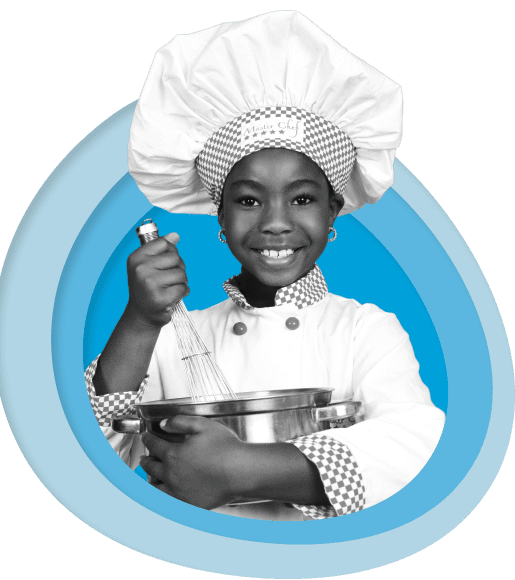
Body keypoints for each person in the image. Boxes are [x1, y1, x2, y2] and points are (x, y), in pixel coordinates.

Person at [85, 11, 445, 521]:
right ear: (221, 215)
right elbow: (94, 450)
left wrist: (246, 471)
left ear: (333, 210)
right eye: (249, 201)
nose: (276, 223)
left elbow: (416, 445)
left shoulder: (366, 331)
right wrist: (140, 321)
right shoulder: (169, 341)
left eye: (301, 199)